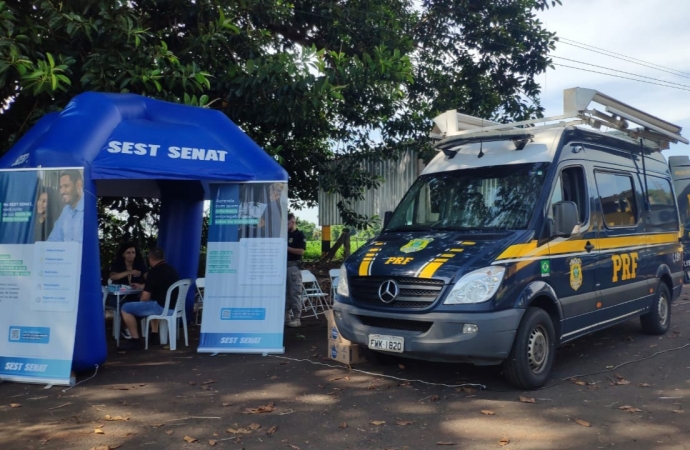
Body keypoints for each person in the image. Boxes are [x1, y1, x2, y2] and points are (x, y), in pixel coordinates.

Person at [117, 247, 180, 350]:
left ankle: (135, 340)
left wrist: (140, 305)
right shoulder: (172, 270)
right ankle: (154, 334)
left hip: (161, 307)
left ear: (150, 258)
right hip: (173, 307)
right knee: (150, 303)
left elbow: (145, 297)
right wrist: (142, 286)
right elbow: (160, 286)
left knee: (125, 307)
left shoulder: (154, 272)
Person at [47, 169, 84, 243]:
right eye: (61, 187)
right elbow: (52, 241)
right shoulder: (65, 211)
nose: (62, 191)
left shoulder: (89, 208)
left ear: (78, 184)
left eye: (66, 186)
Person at [285, 213, 306, 328]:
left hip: (293, 267)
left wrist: (287, 248)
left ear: (292, 222)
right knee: (285, 294)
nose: (286, 226)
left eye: (287, 223)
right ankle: (286, 317)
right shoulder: (284, 234)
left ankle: (296, 318)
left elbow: (301, 251)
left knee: (295, 293)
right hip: (283, 266)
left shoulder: (299, 235)